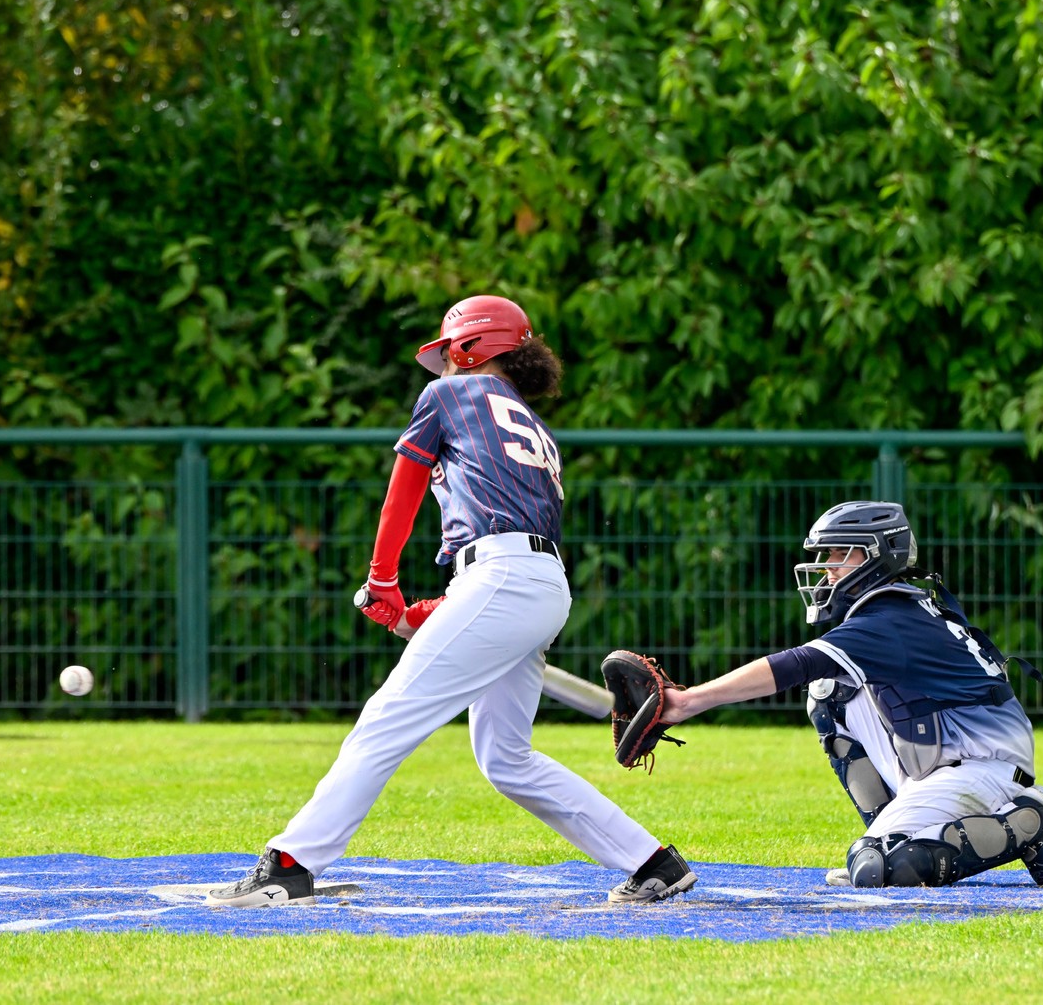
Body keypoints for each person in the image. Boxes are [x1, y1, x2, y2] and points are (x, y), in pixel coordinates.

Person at [207, 295, 696, 907]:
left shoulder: (450, 396)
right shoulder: (535, 426)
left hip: (502, 581)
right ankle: (652, 863)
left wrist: (382, 578)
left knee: (386, 719)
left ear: (471, 348)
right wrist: (420, 611)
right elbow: (498, 563)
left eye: (451, 354)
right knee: (507, 760)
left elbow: (405, 489)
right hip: (534, 584)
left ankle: (290, 862)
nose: (444, 368)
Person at [658, 500, 1043, 889]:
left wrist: (690, 700)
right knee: (829, 693)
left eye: (839, 553)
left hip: (980, 764)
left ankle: (1031, 826)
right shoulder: (899, 606)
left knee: (884, 867)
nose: (827, 566)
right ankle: (893, 828)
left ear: (876, 554)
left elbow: (794, 663)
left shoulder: (889, 618)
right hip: (951, 754)